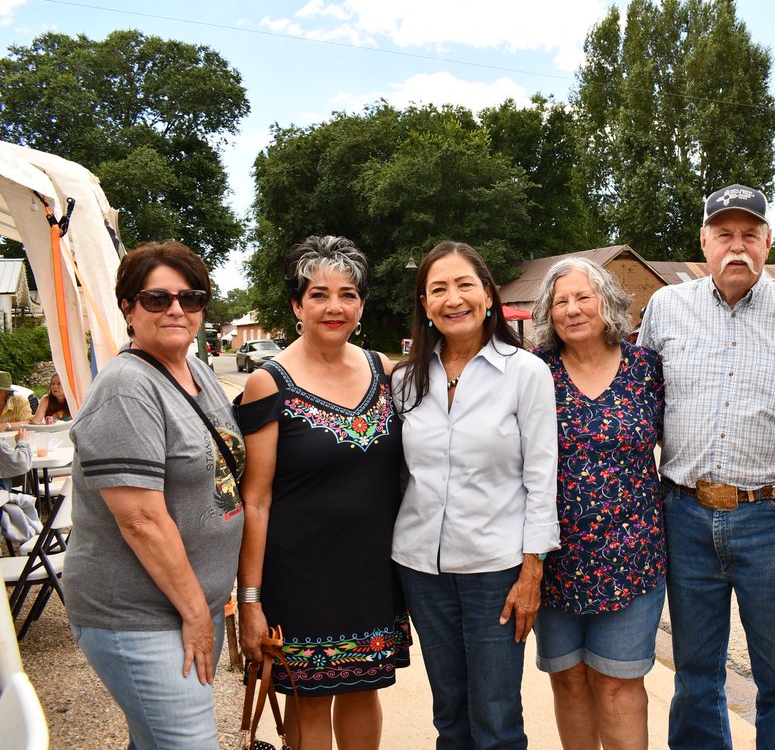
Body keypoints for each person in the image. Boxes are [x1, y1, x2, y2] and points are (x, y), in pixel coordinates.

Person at [638, 184, 775, 749]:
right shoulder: (666, 308)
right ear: (703, 242)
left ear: (767, 241)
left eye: (749, 234)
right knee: (695, 672)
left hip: (771, 516)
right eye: (723, 234)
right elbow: (640, 398)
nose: (736, 246)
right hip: (684, 512)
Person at [64, 241, 245, 748]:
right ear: (127, 307)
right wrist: (195, 615)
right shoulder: (126, 388)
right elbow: (141, 520)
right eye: (156, 298)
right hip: (141, 615)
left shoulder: (196, 372)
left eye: (190, 298)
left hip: (188, 604)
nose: (176, 310)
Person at [236, 236, 408, 750]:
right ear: (296, 304)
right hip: (299, 578)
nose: (334, 306)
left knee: (363, 692)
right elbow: (257, 499)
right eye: (318, 294)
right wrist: (250, 600)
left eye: (348, 294)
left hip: (372, 573)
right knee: (308, 701)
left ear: (361, 304)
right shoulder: (269, 383)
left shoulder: (386, 373)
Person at [392, 240, 558, 749]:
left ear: (488, 295)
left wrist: (533, 569)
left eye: (464, 284)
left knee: (496, 716)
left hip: (496, 569)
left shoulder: (525, 372)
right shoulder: (406, 380)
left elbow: (541, 477)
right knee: (450, 713)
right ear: (425, 305)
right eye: (437, 289)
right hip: (422, 568)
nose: (452, 298)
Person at [530, 257, 666, 750]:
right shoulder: (534, 372)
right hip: (554, 559)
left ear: (606, 302)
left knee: (617, 683)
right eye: (559, 301)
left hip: (632, 557)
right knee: (567, 679)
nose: (572, 309)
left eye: (582, 297)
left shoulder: (646, 369)